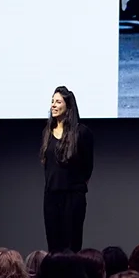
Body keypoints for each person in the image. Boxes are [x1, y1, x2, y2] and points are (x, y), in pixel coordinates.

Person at [39, 86, 93, 253]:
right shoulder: (47, 131)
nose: (53, 105)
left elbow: (88, 166)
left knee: (71, 246)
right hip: (51, 197)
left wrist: (77, 188)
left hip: (73, 197)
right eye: (52, 101)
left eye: (58, 102)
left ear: (68, 106)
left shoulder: (81, 132)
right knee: (53, 246)